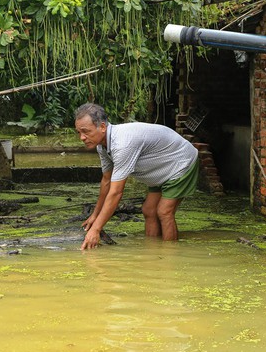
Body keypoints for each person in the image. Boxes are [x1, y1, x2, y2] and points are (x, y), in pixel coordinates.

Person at [74, 103, 200, 250]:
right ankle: (153, 252)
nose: (82, 137)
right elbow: (106, 181)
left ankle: (169, 256)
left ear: (102, 127)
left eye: (86, 132)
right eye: (78, 133)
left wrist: (96, 229)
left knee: (164, 211)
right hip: (159, 168)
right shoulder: (102, 146)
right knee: (148, 210)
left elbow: (116, 192)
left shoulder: (122, 144)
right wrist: (95, 215)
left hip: (180, 162)